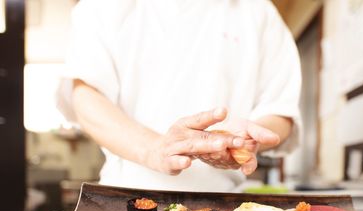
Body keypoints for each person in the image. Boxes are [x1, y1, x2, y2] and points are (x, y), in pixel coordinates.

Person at [57, 0, 302, 192]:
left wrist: (247, 139)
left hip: (226, 209)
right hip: (125, 201)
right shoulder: (102, 6)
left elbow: (280, 110)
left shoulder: (258, 12)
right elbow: (86, 96)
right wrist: (155, 149)